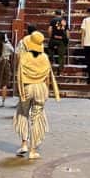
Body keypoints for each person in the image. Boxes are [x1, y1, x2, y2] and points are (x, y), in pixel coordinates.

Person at [13, 31, 58, 159]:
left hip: (27, 87)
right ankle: (33, 150)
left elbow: (20, 76)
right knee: (37, 118)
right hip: (41, 89)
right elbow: (47, 78)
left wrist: (19, 91)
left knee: (22, 113)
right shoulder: (44, 57)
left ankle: (24, 144)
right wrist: (47, 92)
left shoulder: (24, 57)